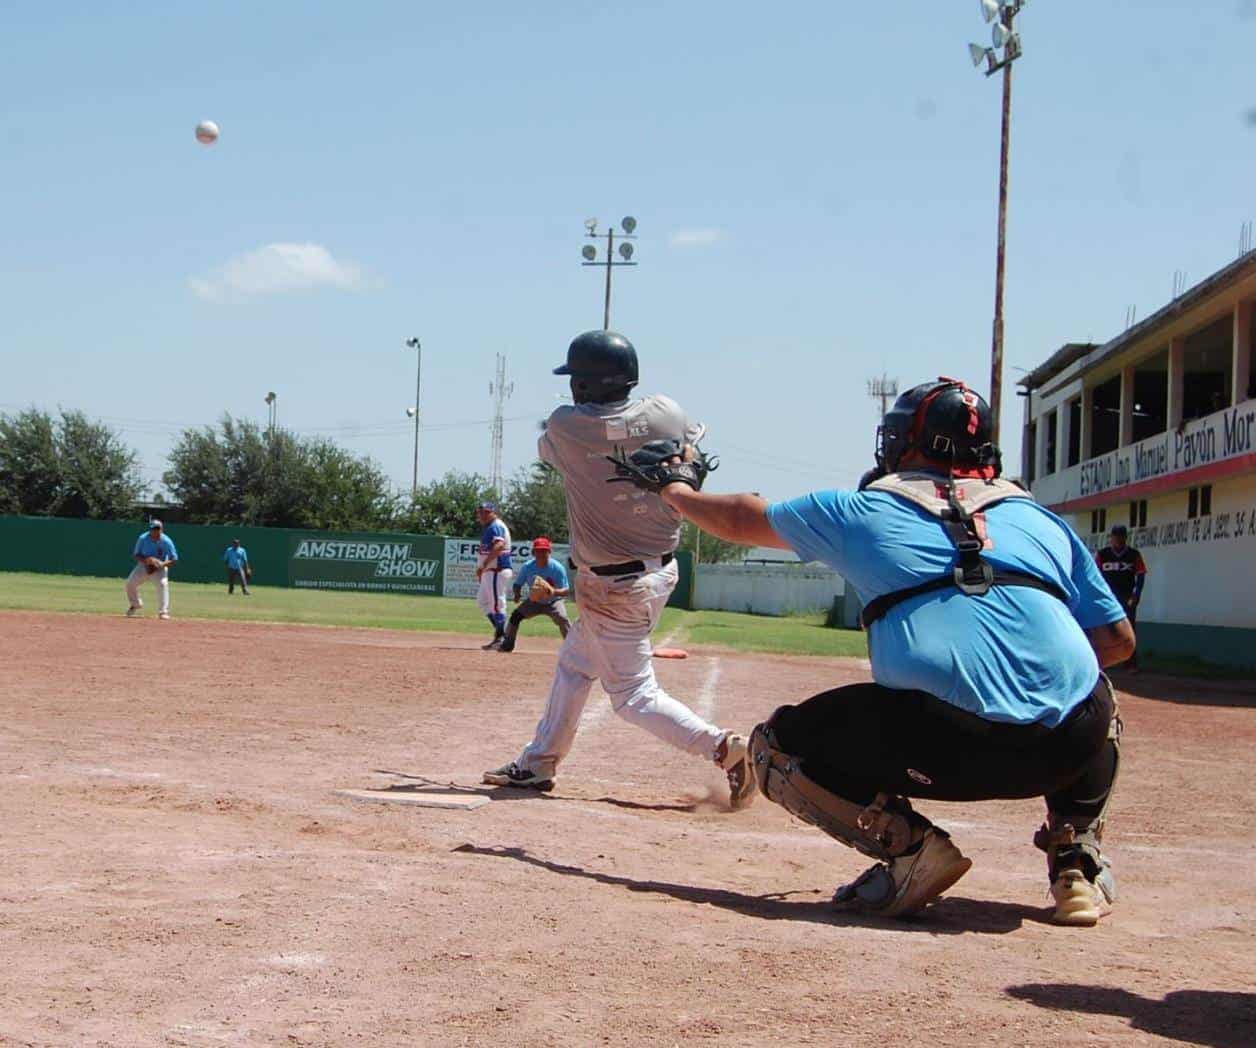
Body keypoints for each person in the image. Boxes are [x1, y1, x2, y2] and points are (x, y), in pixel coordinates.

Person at [610, 377, 1134, 925]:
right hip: (1063, 754)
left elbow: (742, 517)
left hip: (946, 750)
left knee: (776, 749)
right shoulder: (1041, 520)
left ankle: (911, 850)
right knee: (1094, 693)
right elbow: (1116, 642)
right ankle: (1077, 861)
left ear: (908, 443)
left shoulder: (863, 509)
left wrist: (676, 489)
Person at [482, 330, 754, 807]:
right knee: (575, 662)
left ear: (585, 384)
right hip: (657, 572)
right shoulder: (667, 411)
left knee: (632, 697)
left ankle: (725, 749)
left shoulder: (566, 426)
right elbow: (688, 452)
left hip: (615, 585)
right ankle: (537, 762)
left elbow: (552, 450)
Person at [499, 536, 572, 653]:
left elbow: (566, 590)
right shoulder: (528, 567)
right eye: (538, 551)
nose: (541, 554)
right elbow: (517, 584)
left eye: (544, 551)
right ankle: (507, 644)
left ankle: (572, 648)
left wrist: (553, 591)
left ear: (549, 552)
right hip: (534, 601)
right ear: (533, 552)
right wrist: (517, 594)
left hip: (553, 601)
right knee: (515, 616)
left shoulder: (557, 568)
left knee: (562, 618)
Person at [1096, 525, 1146, 671]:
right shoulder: (1103, 554)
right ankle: (1103, 664)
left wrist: (1136, 595)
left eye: (1120, 537)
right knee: (1103, 629)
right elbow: (1094, 575)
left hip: (1126, 597)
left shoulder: (1133, 554)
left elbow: (1141, 575)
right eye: (1115, 537)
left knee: (1128, 629)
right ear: (1111, 538)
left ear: (1125, 538)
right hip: (1108, 597)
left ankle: (1130, 664)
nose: (1117, 540)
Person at [475, 502, 514, 650]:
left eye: (486, 512)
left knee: (497, 604)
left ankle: (501, 638)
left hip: (497, 570)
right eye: (480, 512)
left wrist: (484, 566)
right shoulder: (488, 527)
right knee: (483, 602)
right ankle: (501, 634)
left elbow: (499, 546)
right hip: (490, 571)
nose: (482, 515)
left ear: (493, 512)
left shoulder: (496, 525)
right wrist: (482, 568)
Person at [125, 519, 179, 620]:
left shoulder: (166, 541)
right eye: (153, 529)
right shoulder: (143, 538)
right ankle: (135, 604)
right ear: (150, 529)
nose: (155, 531)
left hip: (160, 566)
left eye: (157, 529)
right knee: (130, 584)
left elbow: (174, 559)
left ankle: (163, 612)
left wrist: (162, 564)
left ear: (161, 529)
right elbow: (136, 555)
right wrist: (147, 561)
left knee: (163, 584)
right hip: (144, 565)